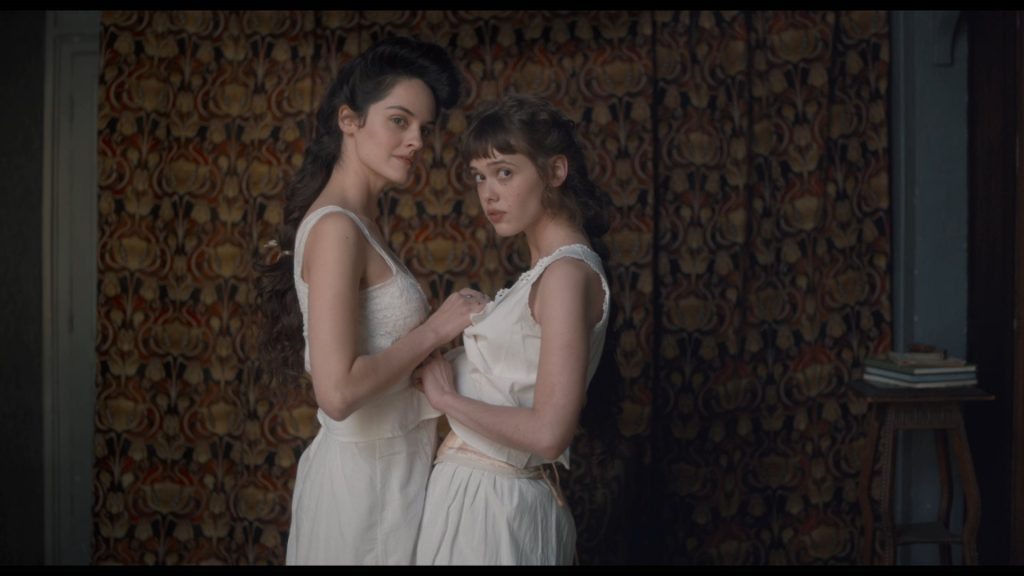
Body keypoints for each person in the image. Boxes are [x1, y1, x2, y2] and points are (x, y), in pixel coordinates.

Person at [257, 36, 488, 565]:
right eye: (399, 121)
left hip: (392, 476)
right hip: (364, 491)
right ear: (349, 120)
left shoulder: (360, 222)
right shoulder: (337, 228)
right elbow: (336, 393)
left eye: (425, 128)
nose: (417, 141)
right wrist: (436, 329)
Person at [413, 94, 612, 565]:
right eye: (479, 176)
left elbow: (549, 433)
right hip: (483, 496)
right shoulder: (548, 273)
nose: (488, 193)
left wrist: (446, 399)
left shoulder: (565, 276)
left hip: (494, 506)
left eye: (504, 172)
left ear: (555, 171)